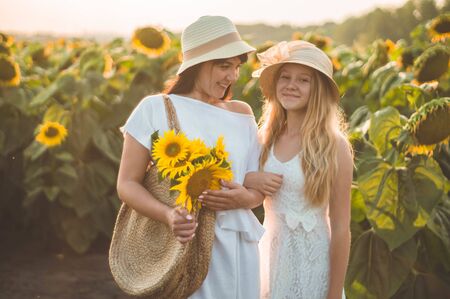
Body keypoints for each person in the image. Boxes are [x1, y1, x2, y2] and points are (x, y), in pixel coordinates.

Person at [116, 15, 265, 299]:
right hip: (184, 243)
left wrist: (246, 198)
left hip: (238, 242)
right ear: (198, 64)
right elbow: (127, 184)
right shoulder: (155, 108)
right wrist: (169, 215)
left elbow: (254, 184)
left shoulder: (242, 113)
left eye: (236, 67)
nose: (232, 76)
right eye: (224, 66)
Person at [244, 40, 353, 299]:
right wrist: (251, 178)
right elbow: (243, 187)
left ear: (318, 90)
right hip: (271, 259)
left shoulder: (334, 146)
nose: (291, 85)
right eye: (285, 77)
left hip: (314, 265)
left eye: (304, 80)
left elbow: (340, 227)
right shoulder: (264, 138)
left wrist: (334, 293)